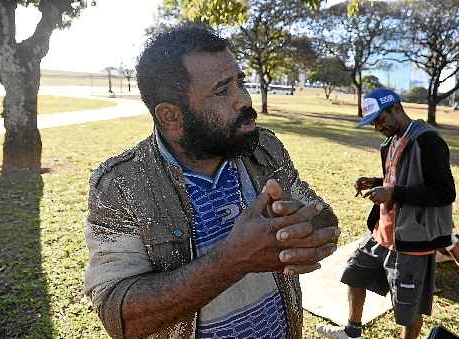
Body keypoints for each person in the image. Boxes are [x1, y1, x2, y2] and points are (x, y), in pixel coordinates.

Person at [84, 24, 340, 339]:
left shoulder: (264, 148)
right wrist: (231, 261)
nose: (244, 100)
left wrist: (305, 229)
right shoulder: (120, 185)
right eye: (223, 90)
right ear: (171, 117)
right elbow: (121, 318)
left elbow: (320, 213)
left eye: (240, 82)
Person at [316, 88, 456, 339]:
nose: (377, 127)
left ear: (396, 108)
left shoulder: (428, 141)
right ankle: (352, 331)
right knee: (354, 273)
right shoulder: (390, 143)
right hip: (381, 232)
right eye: (372, 123)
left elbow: (444, 192)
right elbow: (403, 181)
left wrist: (392, 193)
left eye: (379, 120)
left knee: (407, 308)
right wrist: (376, 181)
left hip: (412, 240)